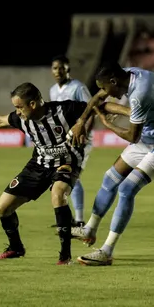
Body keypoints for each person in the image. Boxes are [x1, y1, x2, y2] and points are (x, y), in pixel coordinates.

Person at [67, 62, 154, 266]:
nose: (107, 93)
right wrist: (81, 122)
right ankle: (89, 229)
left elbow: (132, 136)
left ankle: (106, 251)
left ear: (114, 81)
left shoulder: (140, 94)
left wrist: (107, 123)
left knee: (126, 189)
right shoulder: (131, 73)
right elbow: (99, 98)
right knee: (109, 178)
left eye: (107, 88)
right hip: (149, 137)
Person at [0, 82, 89, 265]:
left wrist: (83, 123)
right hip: (38, 166)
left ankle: (65, 256)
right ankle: (16, 248)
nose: (17, 112)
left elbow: (95, 106)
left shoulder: (64, 110)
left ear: (33, 104)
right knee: (2, 208)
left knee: (58, 194)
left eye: (19, 107)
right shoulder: (21, 119)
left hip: (66, 163)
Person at [49, 55, 93, 227]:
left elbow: (91, 110)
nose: (58, 71)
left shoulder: (78, 87)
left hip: (79, 139)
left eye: (62, 67)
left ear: (68, 69)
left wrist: (84, 133)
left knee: (72, 177)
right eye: (55, 68)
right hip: (64, 141)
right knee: (64, 176)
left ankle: (80, 220)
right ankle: (71, 219)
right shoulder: (53, 90)